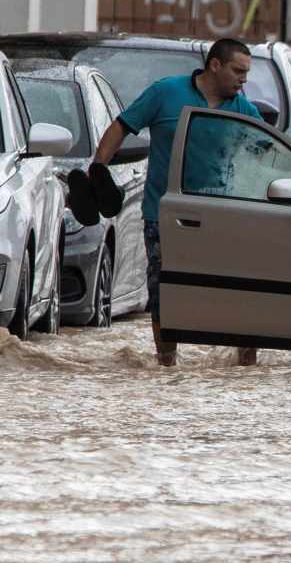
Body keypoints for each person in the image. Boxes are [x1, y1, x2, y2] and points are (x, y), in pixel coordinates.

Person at [92, 38, 264, 367]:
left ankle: (246, 369)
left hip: (225, 217)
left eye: (247, 73)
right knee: (164, 293)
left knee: (239, 294)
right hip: (165, 215)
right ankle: (166, 365)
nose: (244, 79)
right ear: (215, 65)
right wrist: (97, 169)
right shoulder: (165, 93)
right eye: (238, 71)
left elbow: (268, 155)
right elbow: (121, 127)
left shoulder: (244, 111)